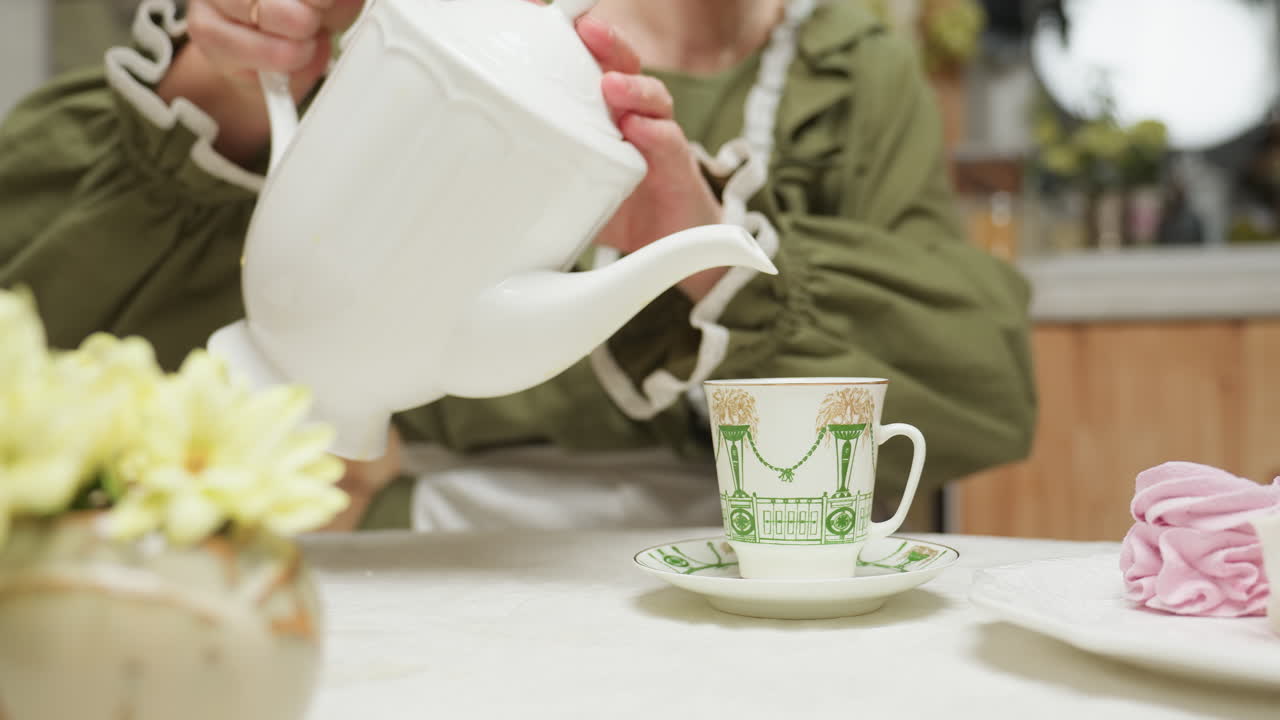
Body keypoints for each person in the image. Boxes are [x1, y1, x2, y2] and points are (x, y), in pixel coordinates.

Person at [0, 0, 1037, 532]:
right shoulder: (446, 29)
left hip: (749, 574)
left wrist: (700, 251)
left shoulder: (851, 69)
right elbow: (52, 307)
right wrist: (234, 84)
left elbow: (975, 389)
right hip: (437, 554)